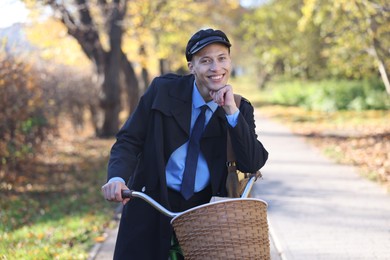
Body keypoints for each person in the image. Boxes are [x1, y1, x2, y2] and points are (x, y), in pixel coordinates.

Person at [101, 28, 269, 259]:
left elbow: (252, 162)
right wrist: (117, 177)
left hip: (204, 212)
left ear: (230, 61)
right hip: (152, 202)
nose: (216, 68)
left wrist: (231, 112)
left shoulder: (240, 107)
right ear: (192, 67)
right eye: (206, 61)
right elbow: (129, 140)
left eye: (222, 59)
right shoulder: (163, 90)